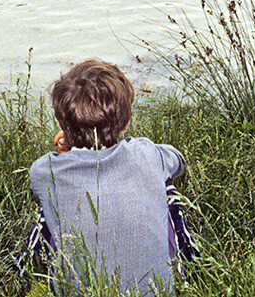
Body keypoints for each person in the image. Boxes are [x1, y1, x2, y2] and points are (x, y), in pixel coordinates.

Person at [27, 59, 190, 296]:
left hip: (80, 290)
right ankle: (190, 263)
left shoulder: (45, 171)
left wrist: (69, 149)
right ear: (125, 123)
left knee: (50, 208)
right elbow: (178, 161)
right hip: (156, 292)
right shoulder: (147, 154)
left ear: (62, 123)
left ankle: (24, 272)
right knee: (166, 189)